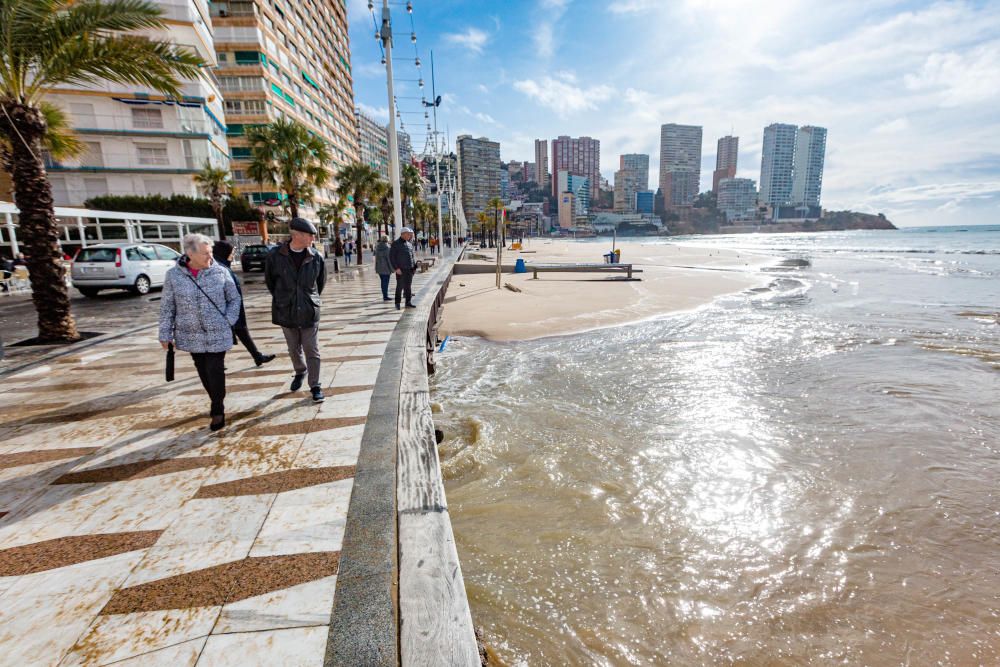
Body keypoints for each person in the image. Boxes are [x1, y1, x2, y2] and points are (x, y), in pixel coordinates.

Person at [159, 233, 241, 431]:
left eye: (211, 252)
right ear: (190, 253)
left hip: (217, 331)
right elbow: (167, 306)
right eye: (205, 253)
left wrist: (227, 320)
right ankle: (215, 399)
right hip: (190, 333)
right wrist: (165, 332)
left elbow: (234, 299)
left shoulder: (220, 271)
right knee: (203, 370)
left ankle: (217, 409)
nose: (210, 257)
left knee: (215, 369)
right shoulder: (173, 276)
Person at [265, 218, 327, 403]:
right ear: (297, 235)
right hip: (286, 310)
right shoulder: (275, 256)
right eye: (310, 235)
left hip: (309, 310)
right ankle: (300, 371)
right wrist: (285, 298)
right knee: (293, 348)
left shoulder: (316, 257)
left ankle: (315, 385)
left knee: (311, 349)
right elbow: (271, 283)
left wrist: (309, 299)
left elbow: (320, 284)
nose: (313, 239)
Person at [212, 240, 275, 367]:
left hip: (233, 312)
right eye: (232, 252)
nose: (233, 254)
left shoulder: (223, 265)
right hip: (227, 313)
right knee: (223, 336)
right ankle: (217, 363)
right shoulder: (219, 268)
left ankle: (257, 357)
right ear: (225, 253)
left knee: (242, 333)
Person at [389, 226, 417, 310]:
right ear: (403, 234)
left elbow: (412, 256)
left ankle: (408, 302)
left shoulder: (409, 244)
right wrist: (396, 268)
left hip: (409, 269)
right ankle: (397, 303)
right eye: (408, 234)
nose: (409, 236)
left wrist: (414, 267)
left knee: (408, 287)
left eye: (410, 234)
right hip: (400, 270)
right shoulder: (395, 244)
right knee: (400, 287)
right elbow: (392, 257)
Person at [374, 234, 392, 301]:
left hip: (379, 268)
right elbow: (389, 259)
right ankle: (385, 296)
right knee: (385, 282)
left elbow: (376, 258)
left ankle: (384, 295)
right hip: (386, 268)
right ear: (387, 240)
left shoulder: (377, 247)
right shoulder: (387, 248)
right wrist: (392, 269)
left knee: (382, 282)